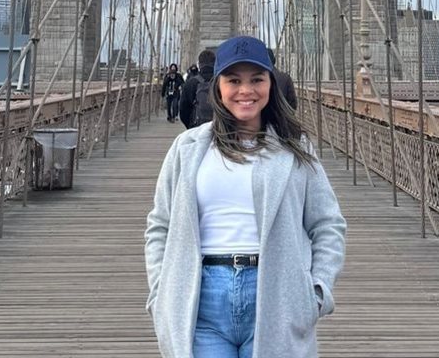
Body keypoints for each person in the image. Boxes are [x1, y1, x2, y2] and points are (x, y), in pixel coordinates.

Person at [145, 35, 346, 358]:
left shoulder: (295, 148)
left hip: (276, 293)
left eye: (256, 79)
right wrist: (160, 292)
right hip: (201, 298)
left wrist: (317, 292)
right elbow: (159, 225)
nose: (245, 90)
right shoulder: (187, 148)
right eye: (233, 80)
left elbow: (328, 224)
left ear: (271, 84)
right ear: (218, 87)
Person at [179, 49, 216, 129]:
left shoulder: (190, 83)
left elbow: (183, 110)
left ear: (199, 64)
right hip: (219, 128)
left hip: (197, 127)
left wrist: (190, 127)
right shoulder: (222, 81)